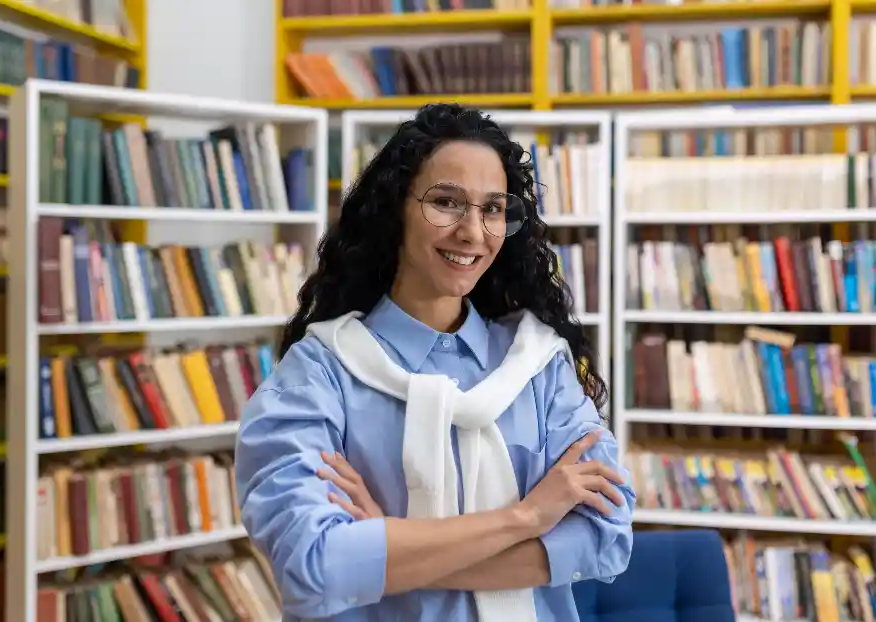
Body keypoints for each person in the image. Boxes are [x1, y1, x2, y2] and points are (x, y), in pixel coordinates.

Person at [234, 103, 636, 622]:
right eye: (446, 202)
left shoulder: (540, 365)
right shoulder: (319, 375)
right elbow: (313, 567)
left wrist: (390, 550)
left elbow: (604, 535)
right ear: (395, 208)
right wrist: (526, 517)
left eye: (493, 208)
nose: (473, 231)